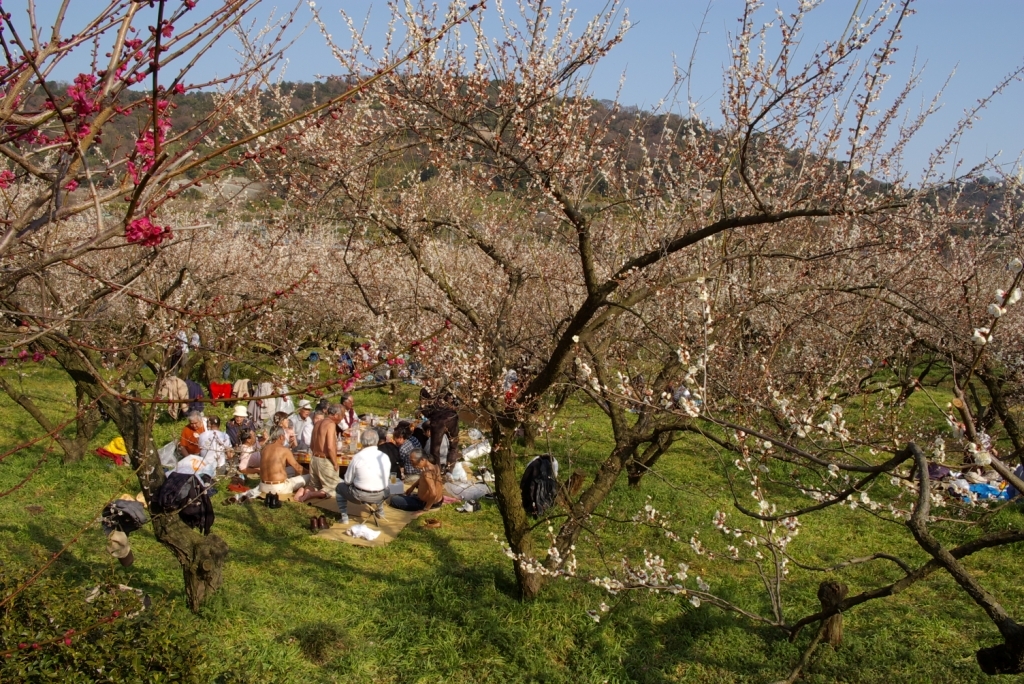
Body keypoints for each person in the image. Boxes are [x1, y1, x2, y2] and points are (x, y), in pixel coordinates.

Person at [335, 429, 390, 524]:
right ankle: (380, 511)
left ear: (361, 442)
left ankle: (344, 517)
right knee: (382, 484)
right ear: (377, 441)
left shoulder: (358, 457)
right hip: (382, 494)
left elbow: (347, 480)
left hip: (361, 496)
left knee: (339, 487)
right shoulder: (384, 456)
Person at [298, 404, 344, 501]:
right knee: (334, 489)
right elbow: (330, 447)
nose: (342, 418)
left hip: (314, 458)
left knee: (314, 485)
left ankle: (303, 491)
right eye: (342, 415)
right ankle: (311, 495)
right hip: (325, 460)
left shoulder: (318, 423)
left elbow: (312, 445)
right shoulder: (331, 424)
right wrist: (335, 463)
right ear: (336, 415)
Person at [258, 426, 309, 497]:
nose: (285, 438)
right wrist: (310, 473)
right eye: (284, 436)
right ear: (281, 437)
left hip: (262, 486)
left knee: (291, 469)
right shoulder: (284, 450)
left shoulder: (264, 449)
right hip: (279, 488)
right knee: (309, 477)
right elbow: (298, 468)